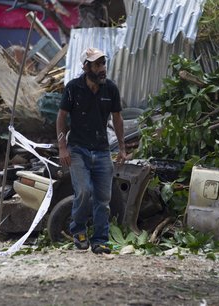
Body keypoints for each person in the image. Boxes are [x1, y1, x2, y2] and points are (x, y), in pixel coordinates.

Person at [56, 47, 126, 254]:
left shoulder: (110, 89)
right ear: (86, 67)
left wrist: (122, 148)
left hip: (102, 151)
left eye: (103, 63)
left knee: (103, 199)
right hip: (78, 150)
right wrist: (62, 147)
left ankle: (100, 240)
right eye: (97, 64)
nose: (102, 68)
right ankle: (78, 229)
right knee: (84, 191)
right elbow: (61, 117)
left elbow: (118, 118)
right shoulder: (73, 88)